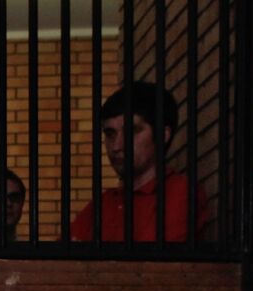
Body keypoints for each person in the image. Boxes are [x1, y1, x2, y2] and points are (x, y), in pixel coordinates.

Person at [70, 82, 210, 242]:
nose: (116, 146)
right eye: (110, 134)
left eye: (131, 131)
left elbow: (155, 264)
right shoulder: (103, 203)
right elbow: (57, 262)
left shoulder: (180, 192)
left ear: (163, 135)